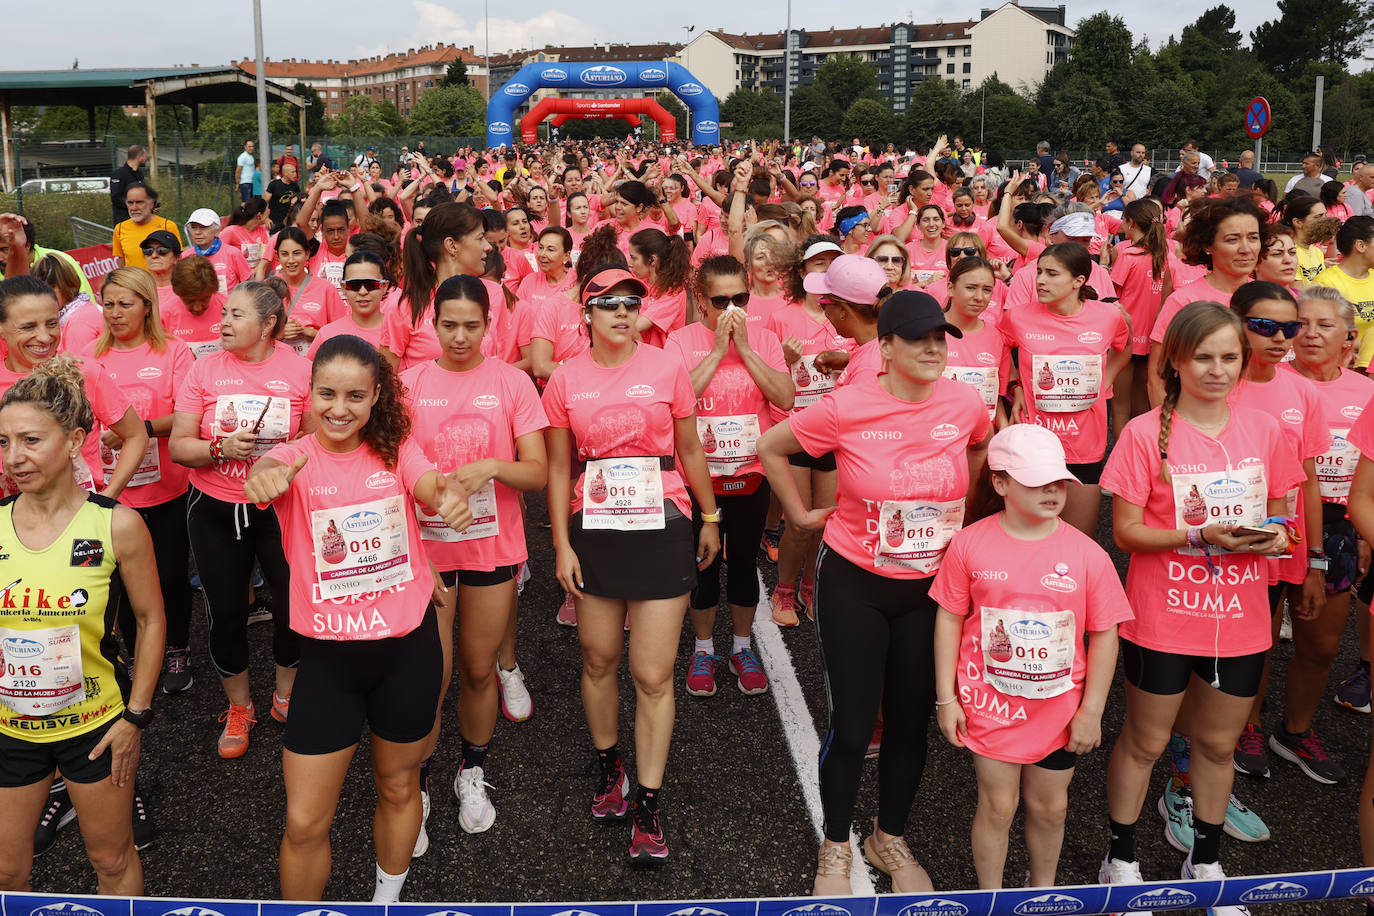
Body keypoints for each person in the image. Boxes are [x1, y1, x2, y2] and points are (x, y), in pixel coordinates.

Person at [759, 290, 989, 895]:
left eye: (941, 339)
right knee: (856, 725)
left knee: (912, 722)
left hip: (930, 587)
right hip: (857, 582)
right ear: (884, 347)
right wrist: (800, 516)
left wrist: (973, 523)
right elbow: (771, 448)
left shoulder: (964, 402)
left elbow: (982, 446)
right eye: (919, 340)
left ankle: (888, 837)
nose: (935, 350)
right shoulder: (847, 406)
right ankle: (836, 844)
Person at [243, 335, 474, 902]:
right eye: (326, 394)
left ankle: (385, 900)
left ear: (376, 398)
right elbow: (264, 473)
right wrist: (263, 478)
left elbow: (426, 483)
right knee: (303, 822)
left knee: (398, 789)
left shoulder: (398, 451)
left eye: (354, 396)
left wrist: (444, 497)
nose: (339, 408)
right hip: (329, 661)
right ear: (310, 394)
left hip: (406, 653)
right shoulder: (295, 455)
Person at [1097, 302, 1301, 911]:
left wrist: (1271, 537)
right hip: (1161, 616)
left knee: (1218, 746)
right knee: (1145, 742)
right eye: (1204, 358)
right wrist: (1199, 536)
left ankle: (1206, 861)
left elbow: (1286, 521)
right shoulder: (1142, 433)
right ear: (1177, 362)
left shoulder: (1266, 430)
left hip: (1238, 620)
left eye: (1230, 358)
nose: (1218, 370)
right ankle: (1121, 859)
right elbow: (1126, 533)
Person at [542, 265, 720, 864]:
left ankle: (648, 799)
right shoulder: (565, 378)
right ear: (586, 314)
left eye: (632, 302)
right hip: (595, 529)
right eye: (609, 302)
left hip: (662, 523)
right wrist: (562, 545)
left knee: (652, 673)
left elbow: (689, 448)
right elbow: (560, 468)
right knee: (598, 658)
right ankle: (608, 763)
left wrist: (711, 517)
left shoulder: (667, 367)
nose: (623, 311)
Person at [933, 424, 1129, 888]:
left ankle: (1041, 893)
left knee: (1051, 807)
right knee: (997, 806)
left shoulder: (1087, 554)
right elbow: (948, 619)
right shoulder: (969, 544)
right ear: (1000, 483)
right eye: (1037, 480)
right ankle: (993, 900)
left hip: (1058, 711)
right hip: (991, 706)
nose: (1052, 490)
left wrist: (1092, 712)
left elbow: (1106, 634)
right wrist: (947, 698)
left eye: (1058, 480)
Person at [0, 355, 165, 895]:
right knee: (6, 870)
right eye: (3, 443)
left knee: (112, 861)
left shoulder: (117, 523)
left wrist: (135, 718)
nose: (14, 458)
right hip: (11, 730)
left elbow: (150, 618)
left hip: (96, 727)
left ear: (74, 441)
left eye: (29, 440)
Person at [401, 275, 548, 849]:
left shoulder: (512, 383)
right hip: (428, 554)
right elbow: (392, 466)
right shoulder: (409, 383)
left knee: (480, 668)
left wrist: (491, 467)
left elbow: (535, 471)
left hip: (492, 548)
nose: (460, 337)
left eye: (471, 325)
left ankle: (472, 770)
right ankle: (419, 782)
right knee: (430, 677)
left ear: (489, 325)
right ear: (432, 324)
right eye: (448, 325)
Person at [170, 281, 312, 758]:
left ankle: (286, 695)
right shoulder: (204, 369)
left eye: (235, 315)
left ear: (269, 324)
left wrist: (284, 464)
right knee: (226, 613)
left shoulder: (300, 370)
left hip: (281, 508)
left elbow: (314, 446)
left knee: (293, 610)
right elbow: (179, 446)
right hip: (214, 508)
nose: (222, 323)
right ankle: (239, 707)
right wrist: (219, 448)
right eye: (223, 313)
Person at [667, 255, 793, 698]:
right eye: (721, 301)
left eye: (740, 299)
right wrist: (719, 351)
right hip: (698, 479)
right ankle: (704, 649)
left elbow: (785, 396)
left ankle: (741, 647)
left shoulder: (763, 339)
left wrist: (747, 351)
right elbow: (676, 399)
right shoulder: (680, 341)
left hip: (750, 474)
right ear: (702, 302)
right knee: (701, 568)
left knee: (741, 565)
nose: (732, 310)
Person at [93, 268, 195, 696]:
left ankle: (176, 649)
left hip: (167, 489)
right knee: (117, 582)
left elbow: (192, 415)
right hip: (111, 494)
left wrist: (139, 430)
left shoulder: (174, 352)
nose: (114, 313)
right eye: (108, 303)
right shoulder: (87, 356)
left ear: (147, 305)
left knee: (170, 575)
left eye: (125, 304)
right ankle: (135, 654)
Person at [1003, 244, 1131, 535]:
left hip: (1085, 444)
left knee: (1077, 538)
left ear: (1079, 281)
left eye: (1051, 274)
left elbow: (1124, 348)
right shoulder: (1019, 316)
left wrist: (1105, 380)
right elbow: (1000, 349)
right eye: (1039, 272)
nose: (1040, 281)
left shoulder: (1108, 316)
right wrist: (1015, 386)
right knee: (1030, 537)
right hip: (1035, 441)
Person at [1147, 197, 1265, 403]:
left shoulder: (1273, 300)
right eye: (1232, 239)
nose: (1246, 249)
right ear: (1208, 246)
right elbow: (1157, 378)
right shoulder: (1183, 302)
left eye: (1253, 238)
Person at [1111, 199, 1175, 434]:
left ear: (1131, 222)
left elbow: (1112, 299)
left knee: (1119, 407)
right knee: (1143, 406)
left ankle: (1122, 459)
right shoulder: (1169, 255)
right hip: (1154, 340)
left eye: (1123, 220)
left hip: (1125, 340)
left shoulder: (1128, 255)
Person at [1313, 217, 1374, 369]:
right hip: (1343, 366)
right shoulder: (1326, 284)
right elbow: (1319, 335)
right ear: (1360, 246)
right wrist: (1366, 345)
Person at [308, 252, 390, 357]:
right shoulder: (327, 334)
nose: (363, 292)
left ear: (385, 286)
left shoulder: (400, 332)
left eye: (371, 284)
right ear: (343, 288)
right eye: (354, 285)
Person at [112, 185, 180, 272]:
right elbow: (121, 261)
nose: (134, 208)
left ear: (151, 204)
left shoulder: (168, 226)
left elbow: (178, 259)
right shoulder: (120, 228)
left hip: (162, 284)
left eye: (139, 202)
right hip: (134, 284)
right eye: (130, 203)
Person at [184, 208, 251, 294]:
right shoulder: (185, 256)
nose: (197, 232)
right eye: (193, 228)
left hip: (228, 305)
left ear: (217, 231)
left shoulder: (233, 253)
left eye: (204, 228)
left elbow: (248, 284)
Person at [111, 145, 148, 225]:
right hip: (124, 221)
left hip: (141, 220)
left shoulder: (139, 174)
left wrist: (150, 206)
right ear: (139, 156)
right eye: (145, 156)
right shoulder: (119, 174)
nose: (146, 159)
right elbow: (116, 198)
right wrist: (136, 206)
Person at [265, 163, 303, 232]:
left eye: (295, 172)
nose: (295, 174)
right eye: (293, 172)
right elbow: (264, 202)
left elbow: (298, 203)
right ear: (285, 173)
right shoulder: (274, 185)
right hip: (275, 221)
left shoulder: (295, 186)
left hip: (290, 221)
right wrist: (266, 218)